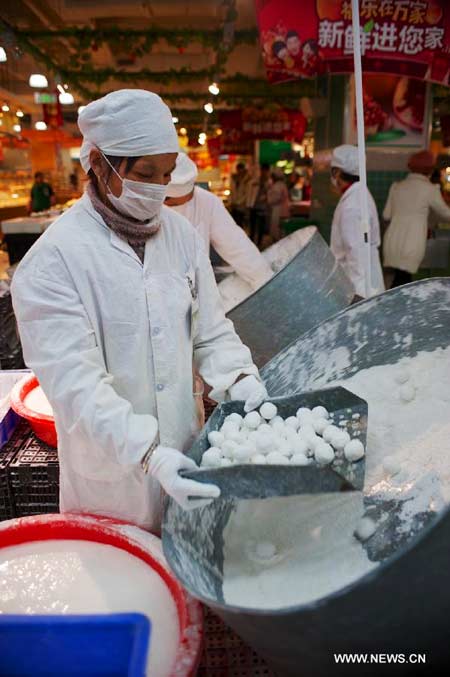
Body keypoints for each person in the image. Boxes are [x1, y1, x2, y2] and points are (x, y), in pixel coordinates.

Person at [11, 89, 268, 532]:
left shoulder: (183, 239)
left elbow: (210, 332)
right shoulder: (53, 262)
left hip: (189, 454)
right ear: (99, 164)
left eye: (166, 173)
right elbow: (77, 387)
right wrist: (148, 452)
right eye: (146, 174)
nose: (157, 189)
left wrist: (241, 382)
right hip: (111, 486)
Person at [165, 153, 272, 289]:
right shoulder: (146, 206)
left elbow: (236, 245)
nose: (192, 196)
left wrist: (265, 281)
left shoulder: (207, 201)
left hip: (196, 291)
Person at [383, 150, 450, 287]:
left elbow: (386, 215)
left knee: (400, 279)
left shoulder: (397, 186)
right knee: (403, 283)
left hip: (392, 240)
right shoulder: (430, 189)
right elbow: (446, 213)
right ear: (430, 170)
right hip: (412, 242)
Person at [330, 144, 384, 299]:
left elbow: (356, 253)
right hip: (361, 281)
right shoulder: (357, 196)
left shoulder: (353, 205)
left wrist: (357, 296)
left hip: (359, 287)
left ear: (338, 172)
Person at [247, 163, 271, 247]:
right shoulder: (255, 181)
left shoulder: (269, 182)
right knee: (252, 227)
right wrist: (248, 205)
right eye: (263, 170)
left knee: (261, 227)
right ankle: (251, 244)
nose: (264, 172)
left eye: (266, 171)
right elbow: (250, 193)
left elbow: (270, 195)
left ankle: (259, 244)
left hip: (263, 208)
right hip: (254, 207)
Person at [267, 168, 290, 242]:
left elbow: (276, 198)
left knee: (277, 230)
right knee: (280, 230)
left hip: (278, 210)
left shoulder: (277, 186)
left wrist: (269, 199)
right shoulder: (282, 185)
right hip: (283, 210)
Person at [229, 162, 251, 227]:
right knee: (234, 224)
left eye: (241, 170)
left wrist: (238, 203)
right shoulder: (234, 179)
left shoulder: (247, 180)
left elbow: (246, 194)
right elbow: (231, 191)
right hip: (233, 206)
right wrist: (231, 202)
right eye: (239, 170)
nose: (240, 172)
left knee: (240, 224)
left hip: (241, 206)